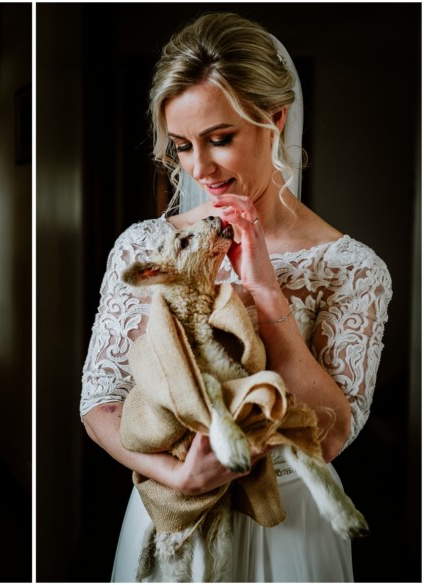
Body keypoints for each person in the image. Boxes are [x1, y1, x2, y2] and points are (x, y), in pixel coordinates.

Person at [80, 12, 392, 582]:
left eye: (220, 140)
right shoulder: (147, 245)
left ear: (275, 119)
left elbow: (330, 435)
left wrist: (264, 289)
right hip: (171, 512)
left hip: (290, 526)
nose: (201, 168)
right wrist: (177, 478)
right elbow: (100, 403)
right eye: (181, 146)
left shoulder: (351, 267)